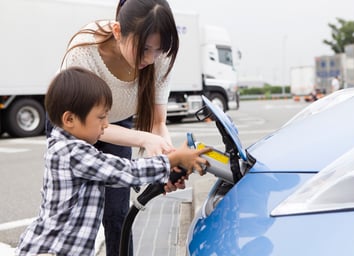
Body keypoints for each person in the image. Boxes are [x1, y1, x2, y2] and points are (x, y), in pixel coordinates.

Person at [16, 67, 210, 256]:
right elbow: (125, 171)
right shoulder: (71, 152)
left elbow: (118, 176)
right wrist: (173, 159)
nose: (106, 124)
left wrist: (166, 172)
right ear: (70, 119)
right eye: (101, 117)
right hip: (49, 250)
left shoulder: (75, 150)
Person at [45, 0, 181, 255]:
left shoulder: (159, 56)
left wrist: (168, 161)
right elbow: (91, 125)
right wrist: (144, 141)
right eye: (144, 49)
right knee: (71, 213)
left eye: (158, 50)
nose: (151, 59)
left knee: (117, 213)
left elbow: (157, 123)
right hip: (76, 125)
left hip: (119, 124)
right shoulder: (85, 50)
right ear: (118, 32)